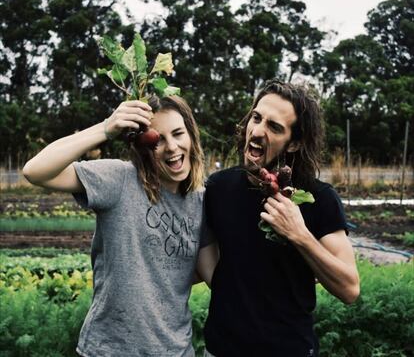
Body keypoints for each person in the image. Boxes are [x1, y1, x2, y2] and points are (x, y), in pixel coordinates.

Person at [23, 95, 217, 357]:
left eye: (178, 133)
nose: (171, 147)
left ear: (191, 135)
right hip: (110, 350)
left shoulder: (202, 201)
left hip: (176, 351)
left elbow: (207, 274)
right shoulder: (120, 180)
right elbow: (35, 171)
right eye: (158, 140)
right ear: (143, 147)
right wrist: (105, 128)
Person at [203, 80, 360, 357]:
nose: (258, 131)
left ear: (295, 143)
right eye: (256, 118)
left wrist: (299, 235)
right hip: (222, 349)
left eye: (274, 127)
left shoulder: (318, 199)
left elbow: (349, 289)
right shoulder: (219, 188)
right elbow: (207, 264)